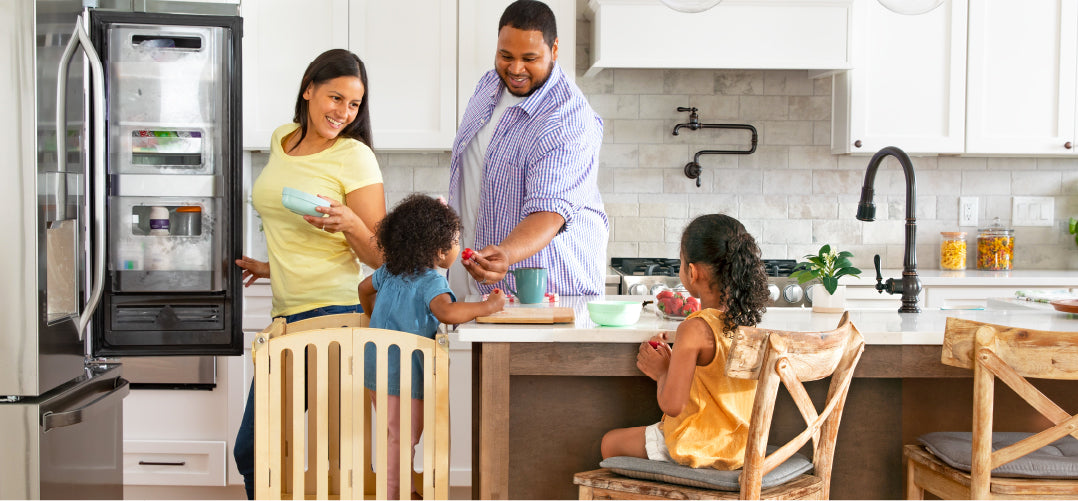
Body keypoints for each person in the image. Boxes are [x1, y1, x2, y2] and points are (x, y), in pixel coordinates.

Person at [232, 48, 386, 500]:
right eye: (335, 98)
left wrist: (350, 223)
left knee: (325, 460)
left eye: (353, 104)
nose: (343, 112)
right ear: (308, 90)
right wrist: (269, 265)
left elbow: (380, 255)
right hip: (286, 319)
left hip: (333, 316)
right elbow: (284, 220)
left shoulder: (354, 156)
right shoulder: (283, 138)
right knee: (260, 452)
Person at [448, 0, 607, 299]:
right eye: (505, 55)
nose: (515, 69)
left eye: (530, 58)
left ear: (554, 49)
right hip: (478, 292)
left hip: (545, 297)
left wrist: (506, 253)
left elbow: (549, 211)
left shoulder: (568, 119)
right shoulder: (489, 84)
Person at [358, 194, 506, 497]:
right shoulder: (431, 281)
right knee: (402, 437)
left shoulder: (390, 271)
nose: (456, 246)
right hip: (402, 371)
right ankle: (395, 493)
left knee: (395, 432)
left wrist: (372, 315)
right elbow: (447, 312)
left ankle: (404, 489)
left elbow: (363, 288)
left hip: (376, 365)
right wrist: (488, 307)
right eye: (454, 242)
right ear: (438, 250)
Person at [599, 214, 771, 470]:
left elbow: (672, 405)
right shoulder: (748, 324)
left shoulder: (695, 328)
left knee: (610, 443)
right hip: (740, 449)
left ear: (692, 271)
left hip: (697, 445)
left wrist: (661, 372)